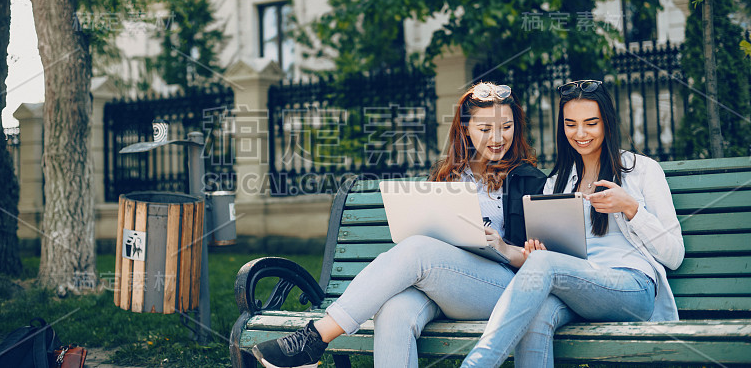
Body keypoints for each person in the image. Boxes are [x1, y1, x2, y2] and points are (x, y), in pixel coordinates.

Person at [251, 82, 546, 368]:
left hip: (503, 289)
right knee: (393, 310)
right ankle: (311, 344)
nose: (497, 138)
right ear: (465, 130)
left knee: (417, 249)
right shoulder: (449, 176)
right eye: (485, 129)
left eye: (506, 127)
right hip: (444, 285)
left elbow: (544, 262)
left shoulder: (528, 179)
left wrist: (503, 247)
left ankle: (315, 339)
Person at [461, 79, 685, 367]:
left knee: (543, 265)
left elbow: (675, 255)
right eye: (570, 124)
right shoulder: (556, 184)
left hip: (631, 286)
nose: (580, 133)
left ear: (608, 122)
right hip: (577, 290)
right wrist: (536, 251)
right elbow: (554, 259)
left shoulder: (641, 170)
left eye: (591, 123)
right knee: (537, 312)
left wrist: (631, 208)